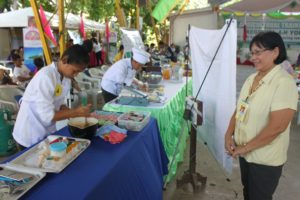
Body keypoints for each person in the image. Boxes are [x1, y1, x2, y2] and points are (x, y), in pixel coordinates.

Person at [224, 31, 298, 200]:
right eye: (252, 53)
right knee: (248, 193)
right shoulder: (251, 79)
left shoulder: (283, 82)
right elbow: (240, 109)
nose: (253, 57)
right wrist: (229, 134)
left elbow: (277, 127)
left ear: (275, 52)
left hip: (265, 160)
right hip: (245, 154)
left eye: (258, 52)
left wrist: (245, 148)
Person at [13, 44, 91, 148]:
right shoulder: (46, 77)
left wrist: (73, 112)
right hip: (30, 133)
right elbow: (48, 116)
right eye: (75, 71)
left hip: (46, 131)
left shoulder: (66, 78)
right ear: (64, 60)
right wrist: (75, 112)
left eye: (78, 72)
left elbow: (58, 102)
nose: (75, 75)